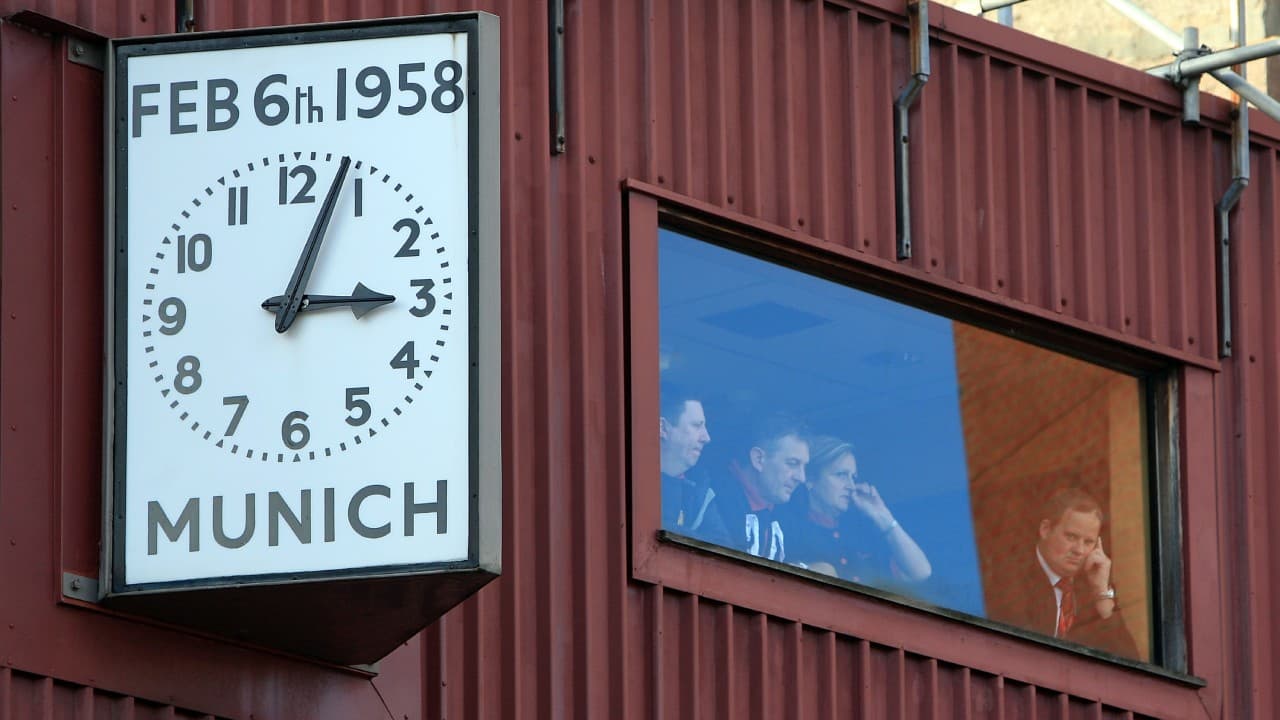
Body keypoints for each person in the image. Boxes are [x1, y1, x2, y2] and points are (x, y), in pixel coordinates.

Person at [985, 487, 1139, 659]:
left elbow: (1130, 661)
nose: (1079, 550)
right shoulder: (1009, 577)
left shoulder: (1091, 587)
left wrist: (1101, 593)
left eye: (1088, 542)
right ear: (1045, 529)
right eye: (1071, 537)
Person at [782, 436, 932, 587]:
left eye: (853, 477)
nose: (851, 486)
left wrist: (882, 515)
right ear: (810, 480)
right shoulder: (788, 528)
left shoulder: (862, 532)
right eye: (841, 475)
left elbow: (921, 572)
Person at [707, 414, 809, 561]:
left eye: (804, 467)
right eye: (792, 463)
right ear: (758, 459)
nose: (801, 478)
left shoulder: (790, 512)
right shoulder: (712, 499)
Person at [659, 385, 730, 545]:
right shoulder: (632, 480)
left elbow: (722, 545)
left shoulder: (699, 488)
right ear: (663, 428)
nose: (706, 438)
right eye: (697, 425)